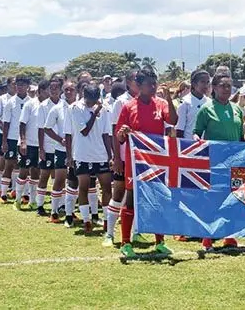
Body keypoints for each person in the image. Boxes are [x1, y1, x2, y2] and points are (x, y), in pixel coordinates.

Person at [115, 66, 177, 258]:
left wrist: (168, 99)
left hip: (157, 161)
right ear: (138, 85)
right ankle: (126, 243)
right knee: (132, 200)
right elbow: (119, 136)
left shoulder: (160, 104)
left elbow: (173, 121)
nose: (153, 87)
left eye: (154, 83)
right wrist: (123, 133)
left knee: (158, 199)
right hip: (136, 162)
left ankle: (160, 241)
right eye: (149, 84)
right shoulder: (128, 107)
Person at [193, 71, 245, 251]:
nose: (226, 89)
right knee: (213, 199)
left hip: (235, 162)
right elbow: (197, 131)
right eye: (222, 85)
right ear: (214, 88)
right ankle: (208, 238)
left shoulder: (236, 109)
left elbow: (241, 136)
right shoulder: (207, 109)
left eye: (229, 86)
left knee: (233, 198)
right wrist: (198, 140)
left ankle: (230, 236)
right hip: (215, 162)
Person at [69, 84, 113, 234]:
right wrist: (95, 113)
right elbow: (85, 131)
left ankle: (107, 220)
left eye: (95, 100)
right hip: (82, 154)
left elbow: (106, 133)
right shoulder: (76, 108)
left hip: (100, 154)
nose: (92, 103)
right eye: (90, 101)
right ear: (83, 95)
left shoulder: (105, 109)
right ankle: (87, 220)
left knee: (106, 187)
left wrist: (110, 155)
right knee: (84, 187)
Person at [107, 68, 143, 246]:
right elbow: (115, 132)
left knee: (138, 194)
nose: (139, 83)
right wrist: (117, 158)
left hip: (141, 157)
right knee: (120, 191)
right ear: (129, 82)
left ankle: (136, 231)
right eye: (137, 80)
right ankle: (109, 233)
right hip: (124, 155)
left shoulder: (145, 101)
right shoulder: (120, 102)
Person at [44, 80, 77, 223]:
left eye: (72, 89)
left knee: (75, 181)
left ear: (76, 91)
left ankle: (70, 212)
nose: (69, 92)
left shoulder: (80, 107)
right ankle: (54, 212)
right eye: (66, 90)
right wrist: (59, 139)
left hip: (78, 150)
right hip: (61, 150)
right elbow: (47, 128)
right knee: (59, 180)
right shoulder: (57, 109)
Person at [15, 80, 49, 210]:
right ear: (40, 91)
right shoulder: (30, 104)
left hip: (41, 144)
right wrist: (23, 141)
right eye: (47, 91)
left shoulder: (48, 105)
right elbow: (22, 123)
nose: (49, 93)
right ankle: (17, 200)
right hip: (28, 143)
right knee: (23, 171)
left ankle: (33, 201)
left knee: (36, 172)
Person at [0, 75, 31, 204]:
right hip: (12, 138)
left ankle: (24, 194)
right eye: (18, 85)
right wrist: (4, 141)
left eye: (23, 85)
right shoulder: (10, 102)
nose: (19, 87)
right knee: (9, 165)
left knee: (25, 166)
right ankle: (3, 194)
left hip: (27, 139)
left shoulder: (32, 101)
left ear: (27, 87)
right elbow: (5, 123)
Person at [36, 77, 63, 216]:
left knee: (59, 177)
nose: (53, 90)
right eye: (51, 88)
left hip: (61, 147)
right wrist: (41, 148)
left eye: (56, 88)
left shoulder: (65, 105)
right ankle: (40, 205)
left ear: (60, 89)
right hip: (47, 145)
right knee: (44, 175)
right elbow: (41, 129)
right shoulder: (43, 105)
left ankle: (59, 206)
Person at [0, 78, 16, 198]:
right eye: (13, 84)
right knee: (3, 161)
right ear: (8, 85)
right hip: (5, 134)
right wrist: (6, 129)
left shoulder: (22, 98)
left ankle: (14, 189)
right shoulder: (2, 99)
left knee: (16, 163)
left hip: (17, 135)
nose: (15, 86)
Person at [175, 69, 210, 138]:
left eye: (208, 82)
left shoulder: (210, 102)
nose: (206, 85)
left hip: (207, 145)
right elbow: (179, 130)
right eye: (202, 82)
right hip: (190, 145)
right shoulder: (185, 103)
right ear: (193, 84)